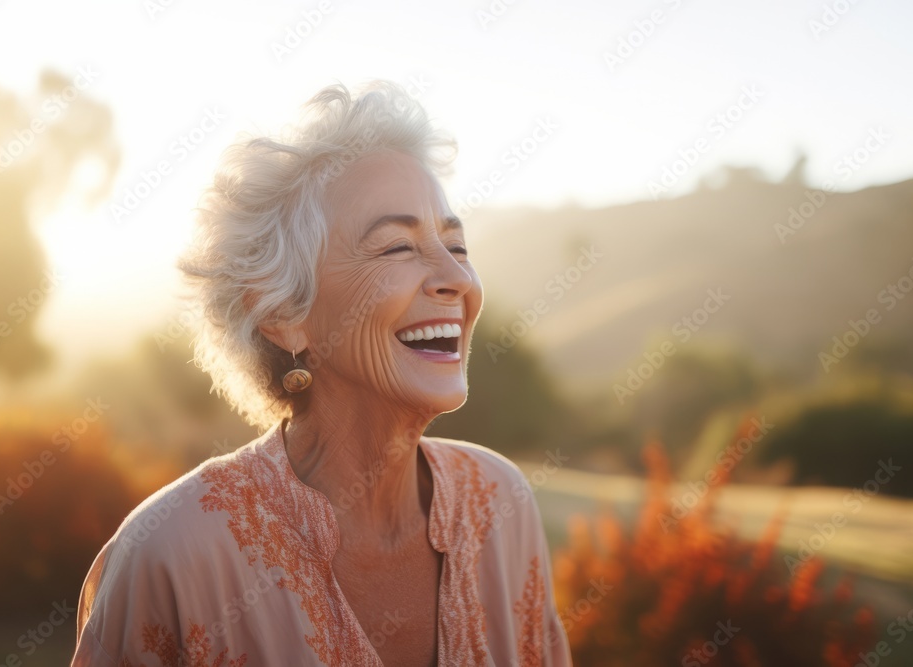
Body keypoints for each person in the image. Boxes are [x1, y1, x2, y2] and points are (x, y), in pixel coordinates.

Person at [71, 80, 572, 666]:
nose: (456, 280)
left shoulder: (500, 502)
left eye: (457, 248)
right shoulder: (172, 554)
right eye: (396, 248)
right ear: (283, 314)